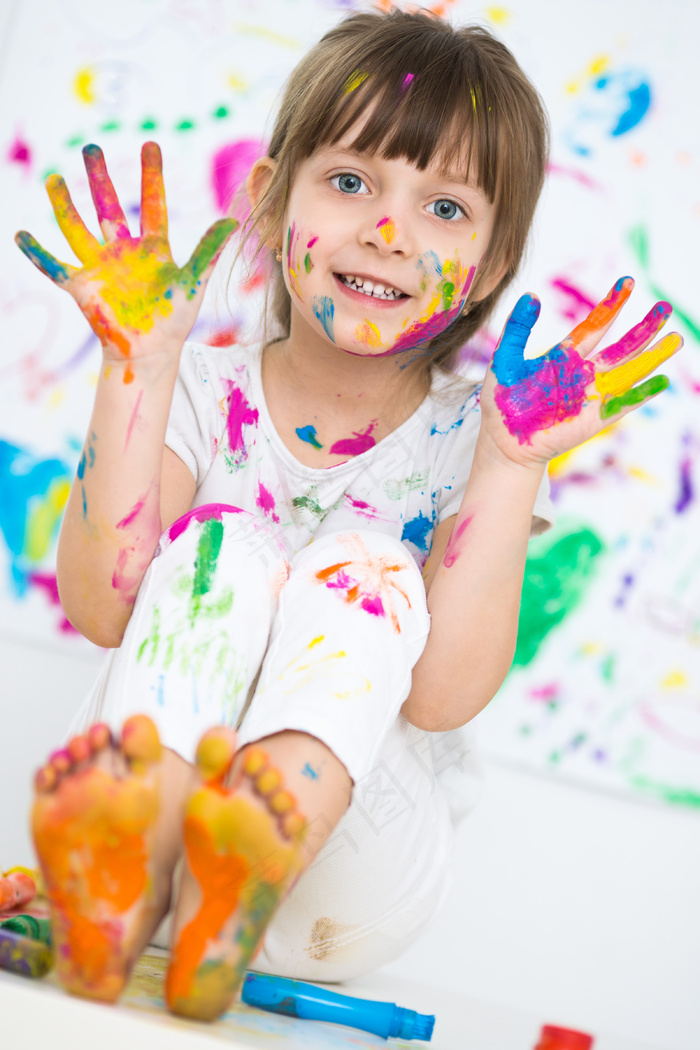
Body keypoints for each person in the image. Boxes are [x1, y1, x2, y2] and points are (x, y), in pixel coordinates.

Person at [16, 7, 681, 1023]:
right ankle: (142, 884)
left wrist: (510, 466)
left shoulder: (481, 436)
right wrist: (136, 368)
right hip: (152, 825)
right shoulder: (197, 387)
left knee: (363, 563)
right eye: (350, 181)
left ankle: (254, 851)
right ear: (269, 198)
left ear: (494, 264)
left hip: (349, 874)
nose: (389, 231)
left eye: (445, 207)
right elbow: (105, 612)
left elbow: (442, 699)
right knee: (225, 546)